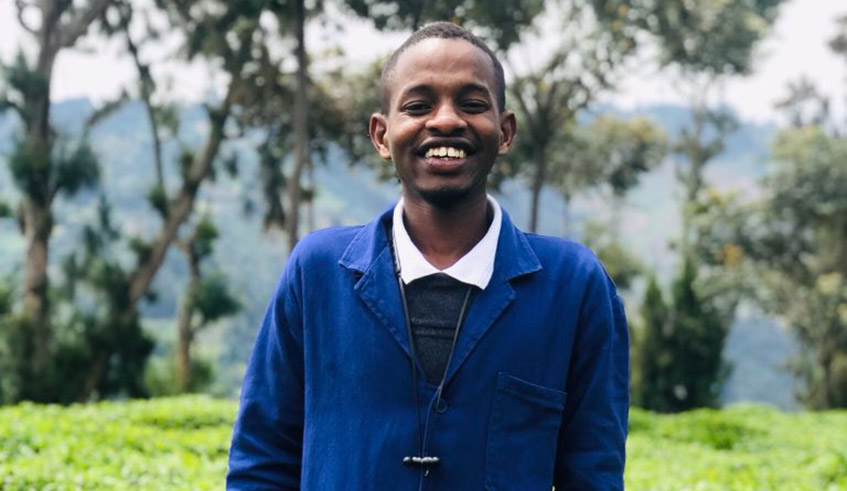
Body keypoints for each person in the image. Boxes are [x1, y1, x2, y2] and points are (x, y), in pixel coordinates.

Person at [226, 21, 629, 491]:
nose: (446, 121)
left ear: (505, 132)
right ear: (381, 135)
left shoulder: (573, 286)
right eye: (418, 106)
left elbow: (594, 473)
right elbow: (262, 463)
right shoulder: (316, 272)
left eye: (472, 104)